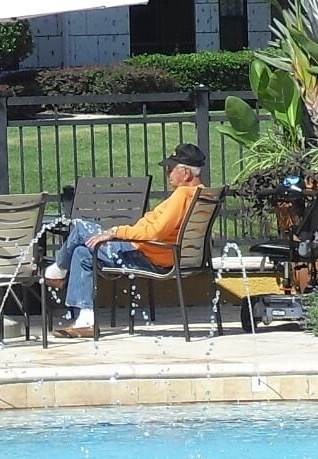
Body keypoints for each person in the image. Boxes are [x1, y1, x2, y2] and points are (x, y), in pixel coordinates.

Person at [44, 144, 206, 339]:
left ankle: (57, 271)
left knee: (81, 229)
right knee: (82, 252)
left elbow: (155, 232)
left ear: (186, 172)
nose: (167, 173)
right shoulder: (202, 193)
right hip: (165, 254)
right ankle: (86, 321)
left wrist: (116, 231)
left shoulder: (182, 194)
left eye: (170, 168)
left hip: (150, 256)